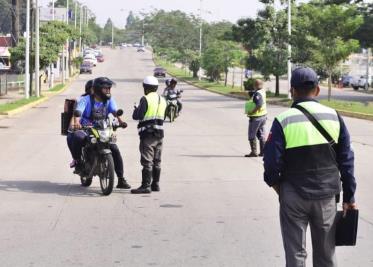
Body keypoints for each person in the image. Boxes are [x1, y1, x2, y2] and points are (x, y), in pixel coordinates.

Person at [263, 67, 357, 267]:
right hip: (326, 196)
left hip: (293, 194)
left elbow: (271, 162)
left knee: (295, 254)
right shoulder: (334, 116)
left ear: (292, 91)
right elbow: (346, 161)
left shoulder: (283, 120)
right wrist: (349, 196)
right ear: (317, 90)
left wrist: (279, 187)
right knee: (326, 254)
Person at [67, 77, 131, 189]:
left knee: (114, 149)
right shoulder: (85, 99)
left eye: (109, 89)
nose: (108, 91)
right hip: (87, 129)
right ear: (97, 89)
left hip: (103, 129)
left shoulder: (109, 100)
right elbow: (78, 112)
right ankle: (78, 162)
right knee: (77, 137)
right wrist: (77, 122)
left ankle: (121, 179)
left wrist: (121, 122)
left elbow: (115, 112)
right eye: (105, 89)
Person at [131, 76, 167, 194]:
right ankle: (155, 184)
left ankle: (145, 186)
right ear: (156, 88)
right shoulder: (163, 100)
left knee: (147, 161)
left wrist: (136, 109)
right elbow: (164, 116)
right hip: (160, 134)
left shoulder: (145, 99)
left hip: (148, 134)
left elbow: (138, 116)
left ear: (145, 87)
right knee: (157, 160)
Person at [244, 79, 267, 157]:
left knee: (252, 134)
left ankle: (254, 152)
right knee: (261, 134)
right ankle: (263, 152)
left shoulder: (258, 94)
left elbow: (259, 104)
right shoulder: (262, 92)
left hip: (256, 117)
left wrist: (252, 112)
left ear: (256, 85)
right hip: (263, 116)